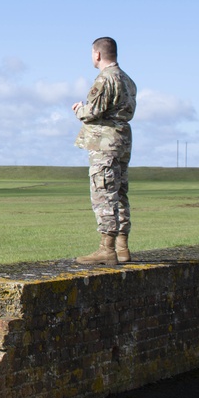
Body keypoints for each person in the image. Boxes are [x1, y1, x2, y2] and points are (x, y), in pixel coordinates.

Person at [72, 36, 136, 265]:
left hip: (104, 144)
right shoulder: (127, 80)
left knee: (104, 192)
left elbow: (94, 111)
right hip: (122, 142)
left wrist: (80, 109)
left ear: (97, 54)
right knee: (119, 193)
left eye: (92, 54)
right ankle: (122, 247)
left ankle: (106, 250)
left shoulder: (105, 79)